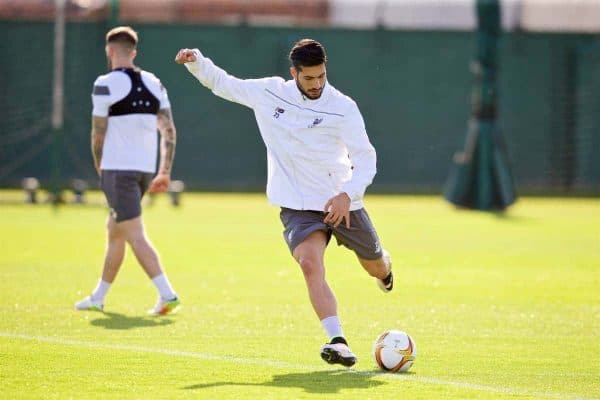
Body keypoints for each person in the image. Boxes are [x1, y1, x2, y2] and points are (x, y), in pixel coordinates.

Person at [175, 39, 393, 366]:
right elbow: (224, 84)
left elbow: (366, 159)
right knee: (309, 264)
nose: (317, 83)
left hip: (342, 200)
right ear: (294, 73)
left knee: (375, 265)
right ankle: (338, 340)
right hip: (297, 204)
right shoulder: (269, 92)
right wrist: (196, 62)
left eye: (321, 76)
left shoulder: (343, 106)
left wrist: (348, 194)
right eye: (309, 78)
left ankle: (385, 269)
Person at [75, 26, 180, 315]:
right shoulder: (155, 82)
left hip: (118, 171)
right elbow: (168, 130)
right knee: (115, 231)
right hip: (144, 171)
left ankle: (167, 293)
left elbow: (98, 134)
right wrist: (164, 172)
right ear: (133, 52)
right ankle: (98, 296)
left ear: (109, 51)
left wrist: (100, 168)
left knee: (134, 233)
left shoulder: (104, 83)